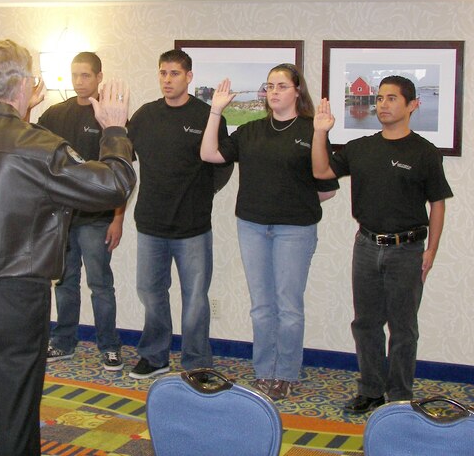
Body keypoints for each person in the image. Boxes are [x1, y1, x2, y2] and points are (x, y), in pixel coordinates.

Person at [0, 39, 136, 456]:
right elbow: (114, 185)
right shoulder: (39, 146)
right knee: (16, 413)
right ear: (23, 85)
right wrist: (114, 131)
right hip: (18, 296)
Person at [311, 75, 453, 414]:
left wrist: (431, 250)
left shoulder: (424, 152)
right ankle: (371, 390)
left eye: (392, 98)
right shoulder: (361, 148)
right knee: (366, 323)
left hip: (408, 249)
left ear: (412, 105)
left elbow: (438, 203)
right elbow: (320, 171)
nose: (383, 105)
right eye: (380, 98)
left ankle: (400, 396)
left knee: (403, 328)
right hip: (366, 246)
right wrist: (320, 132)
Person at [200, 64, 338, 401]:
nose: (273, 92)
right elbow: (209, 153)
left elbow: (327, 186)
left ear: (296, 91)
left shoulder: (312, 128)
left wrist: (295, 196)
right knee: (261, 306)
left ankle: (287, 373)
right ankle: (264, 372)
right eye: (269, 86)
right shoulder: (251, 131)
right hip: (252, 226)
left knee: (288, 306)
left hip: (295, 229)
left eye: (281, 86)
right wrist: (216, 110)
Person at [127, 49, 233, 379]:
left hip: (193, 226)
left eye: (174, 73)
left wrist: (204, 193)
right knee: (150, 292)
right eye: (163, 73)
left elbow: (223, 163)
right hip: (150, 224)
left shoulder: (207, 115)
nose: (167, 80)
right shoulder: (144, 116)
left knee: (196, 299)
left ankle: (197, 362)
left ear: (189, 76)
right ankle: (155, 356)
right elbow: (123, 158)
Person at [38, 52, 126, 371]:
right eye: (75, 75)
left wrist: (117, 218)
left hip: (97, 218)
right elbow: (33, 153)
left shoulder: (110, 117)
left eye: (86, 76)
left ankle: (110, 346)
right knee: (64, 282)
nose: (79, 82)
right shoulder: (54, 115)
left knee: (100, 284)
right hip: (61, 218)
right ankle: (63, 341)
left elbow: (121, 173)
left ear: (99, 77)